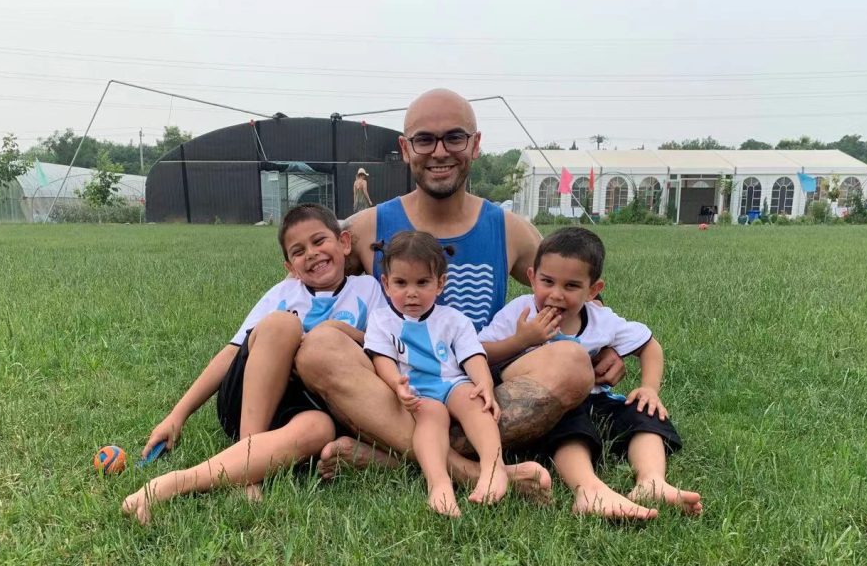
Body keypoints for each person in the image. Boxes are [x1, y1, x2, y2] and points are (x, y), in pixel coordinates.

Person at [296, 88, 624, 493]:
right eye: (424, 139)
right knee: (317, 348)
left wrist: (606, 345)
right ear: (405, 149)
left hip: (483, 382)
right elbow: (300, 283)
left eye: (454, 137)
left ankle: (391, 454)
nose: (440, 152)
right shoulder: (367, 227)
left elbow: (571, 285)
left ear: (475, 144)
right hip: (395, 385)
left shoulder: (509, 229)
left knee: (572, 363)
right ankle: (468, 470)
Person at [124, 203, 383, 524]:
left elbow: (378, 347)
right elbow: (232, 352)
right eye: (299, 251)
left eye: (319, 241)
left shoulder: (368, 290)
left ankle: (186, 479)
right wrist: (178, 415)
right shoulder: (284, 293)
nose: (312, 254)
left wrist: (336, 330)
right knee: (282, 325)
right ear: (290, 266)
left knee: (321, 429)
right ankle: (247, 469)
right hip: (250, 396)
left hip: (307, 405)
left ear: (344, 243)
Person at [478, 227, 702, 520]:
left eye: (571, 286)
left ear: (593, 290)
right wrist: (521, 340)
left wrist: (649, 388)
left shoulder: (601, 319)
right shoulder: (520, 312)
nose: (556, 294)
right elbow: (480, 351)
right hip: (550, 402)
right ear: (532, 277)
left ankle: (652, 481)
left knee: (644, 412)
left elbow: (650, 346)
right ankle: (587, 488)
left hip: (596, 399)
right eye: (547, 281)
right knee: (568, 423)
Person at [365, 231, 521, 516]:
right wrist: (397, 384)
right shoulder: (381, 320)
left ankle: (493, 466)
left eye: (422, 282)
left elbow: (472, 355)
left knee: (474, 401)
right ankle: (438, 483)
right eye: (401, 283)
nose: (412, 292)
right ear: (386, 284)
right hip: (417, 390)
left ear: (440, 284)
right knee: (430, 417)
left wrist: (484, 382)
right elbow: (382, 358)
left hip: (452, 383)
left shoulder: (453, 319)